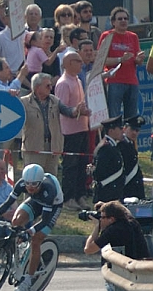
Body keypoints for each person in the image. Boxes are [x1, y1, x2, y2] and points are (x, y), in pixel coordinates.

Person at [0, 164, 64, 291]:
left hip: (52, 206)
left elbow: (45, 220)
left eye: (34, 185)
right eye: (27, 184)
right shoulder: (22, 184)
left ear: (40, 182)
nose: (30, 187)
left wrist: (30, 231)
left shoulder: (49, 189)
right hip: (35, 201)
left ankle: (28, 280)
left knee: (36, 239)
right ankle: (22, 250)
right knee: (15, 221)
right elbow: (8, 203)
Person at [20, 73, 82, 178]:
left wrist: (77, 110)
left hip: (52, 147)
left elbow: (68, 111)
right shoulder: (24, 102)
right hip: (33, 148)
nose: (50, 88)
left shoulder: (55, 101)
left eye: (50, 85)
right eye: (47, 86)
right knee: (32, 179)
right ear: (37, 87)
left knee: (51, 180)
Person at [55, 52, 92, 210]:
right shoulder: (63, 83)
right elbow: (62, 108)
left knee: (83, 163)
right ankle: (68, 197)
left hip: (82, 127)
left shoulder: (77, 80)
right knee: (71, 165)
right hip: (70, 131)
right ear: (68, 63)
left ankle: (80, 195)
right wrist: (77, 111)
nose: (81, 63)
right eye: (77, 61)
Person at [99, 7, 147, 122]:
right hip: (114, 81)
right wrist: (120, 59)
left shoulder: (133, 36)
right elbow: (101, 61)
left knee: (131, 119)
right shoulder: (107, 36)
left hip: (131, 81)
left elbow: (137, 60)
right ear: (113, 22)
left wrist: (139, 59)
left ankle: (128, 140)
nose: (123, 21)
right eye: (120, 19)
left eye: (126, 18)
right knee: (113, 117)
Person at [91, 116, 125, 203]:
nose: (123, 131)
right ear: (111, 131)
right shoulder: (105, 148)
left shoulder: (112, 146)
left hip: (113, 192)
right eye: (120, 128)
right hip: (107, 194)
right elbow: (99, 172)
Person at [119, 116, 145, 199]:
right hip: (127, 187)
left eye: (137, 130)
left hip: (134, 185)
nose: (134, 133)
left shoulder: (130, 144)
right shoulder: (120, 145)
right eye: (132, 129)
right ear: (125, 128)